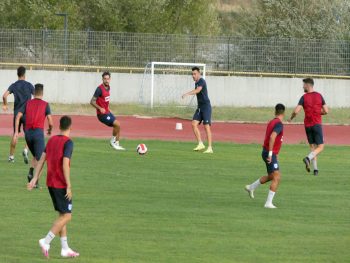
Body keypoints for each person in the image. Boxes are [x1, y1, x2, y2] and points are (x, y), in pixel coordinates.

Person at [28, 116, 79, 258]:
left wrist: (35, 178)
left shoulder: (51, 140)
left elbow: (42, 159)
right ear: (70, 127)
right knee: (67, 216)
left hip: (50, 183)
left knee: (62, 214)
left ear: (59, 126)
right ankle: (46, 241)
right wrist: (69, 185)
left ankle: (65, 248)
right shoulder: (68, 142)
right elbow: (65, 163)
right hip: (60, 184)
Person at [245, 104, 285, 209]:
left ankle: (251, 187)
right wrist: (271, 154)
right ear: (283, 113)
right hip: (269, 153)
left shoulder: (271, 122)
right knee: (277, 177)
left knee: (271, 176)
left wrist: (274, 154)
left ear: (275, 112)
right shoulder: (279, 124)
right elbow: (272, 137)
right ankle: (268, 203)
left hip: (266, 151)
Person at [288, 78, 328, 176]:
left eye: (304, 85)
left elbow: (296, 111)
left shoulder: (304, 97)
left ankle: (315, 170)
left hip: (307, 125)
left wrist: (291, 118)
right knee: (321, 147)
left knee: (312, 147)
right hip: (317, 124)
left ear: (308, 85)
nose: (303, 86)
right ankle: (308, 158)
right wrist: (318, 112)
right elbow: (326, 111)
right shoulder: (319, 96)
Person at [15, 84, 53, 186]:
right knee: (42, 158)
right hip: (38, 134)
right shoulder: (45, 104)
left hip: (27, 134)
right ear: (42, 93)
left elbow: (18, 115)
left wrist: (16, 132)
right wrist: (50, 129)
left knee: (36, 155)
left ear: (34, 92)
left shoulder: (27, 103)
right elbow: (50, 121)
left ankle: (31, 171)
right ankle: (34, 182)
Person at [2, 66, 34, 163]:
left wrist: (5, 105)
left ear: (17, 74)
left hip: (17, 114)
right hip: (27, 113)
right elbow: (36, 95)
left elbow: (4, 95)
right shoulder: (29, 85)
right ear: (24, 74)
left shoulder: (14, 85)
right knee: (29, 134)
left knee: (16, 134)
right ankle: (25, 149)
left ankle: (11, 157)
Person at [90, 71, 125, 150]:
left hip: (107, 112)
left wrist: (106, 108)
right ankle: (112, 142)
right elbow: (92, 101)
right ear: (102, 79)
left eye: (108, 79)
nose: (106, 80)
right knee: (117, 124)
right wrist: (100, 108)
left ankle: (117, 144)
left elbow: (104, 100)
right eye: (105, 79)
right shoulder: (99, 89)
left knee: (118, 126)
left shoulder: (108, 87)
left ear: (110, 79)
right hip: (101, 115)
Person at [182, 67, 213, 153]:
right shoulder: (196, 83)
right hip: (200, 108)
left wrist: (187, 94)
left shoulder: (201, 81)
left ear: (199, 73)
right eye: (192, 74)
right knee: (193, 124)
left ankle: (210, 148)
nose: (193, 76)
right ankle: (200, 143)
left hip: (206, 107)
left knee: (207, 127)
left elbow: (198, 90)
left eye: (195, 74)